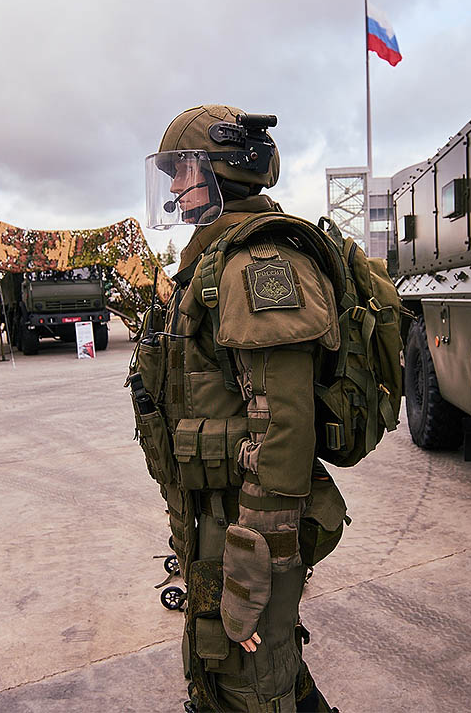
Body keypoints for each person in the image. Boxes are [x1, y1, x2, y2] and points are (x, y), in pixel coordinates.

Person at [136, 104, 343, 712]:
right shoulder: (212, 261)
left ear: (224, 171)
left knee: (256, 683)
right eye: (168, 172)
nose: (173, 187)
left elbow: (284, 428)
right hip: (213, 520)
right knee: (220, 671)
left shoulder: (259, 264)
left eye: (183, 170)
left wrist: (257, 568)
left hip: (247, 527)